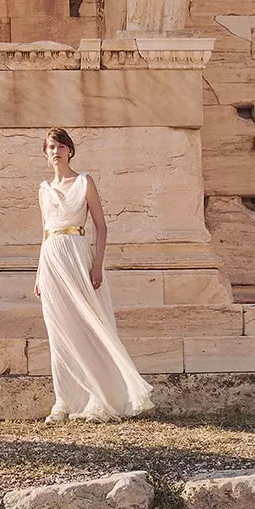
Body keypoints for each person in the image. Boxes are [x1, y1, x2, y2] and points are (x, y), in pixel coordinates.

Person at [32, 128, 154, 424]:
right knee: (59, 332)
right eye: (51, 147)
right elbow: (45, 233)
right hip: (52, 261)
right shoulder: (43, 190)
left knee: (92, 326)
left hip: (78, 255)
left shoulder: (85, 182)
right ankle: (63, 401)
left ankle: (99, 399)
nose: (56, 150)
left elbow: (101, 226)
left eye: (61, 145)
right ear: (46, 154)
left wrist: (97, 265)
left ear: (70, 151)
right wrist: (38, 273)